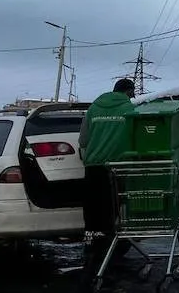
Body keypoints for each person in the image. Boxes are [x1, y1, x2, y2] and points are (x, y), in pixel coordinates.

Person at [78, 78, 136, 251]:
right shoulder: (130, 109)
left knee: (93, 206)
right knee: (114, 206)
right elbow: (136, 138)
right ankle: (111, 244)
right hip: (118, 166)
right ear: (128, 92)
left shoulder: (93, 108)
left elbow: (83, 140)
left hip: (93, 165)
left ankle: (91, 241)